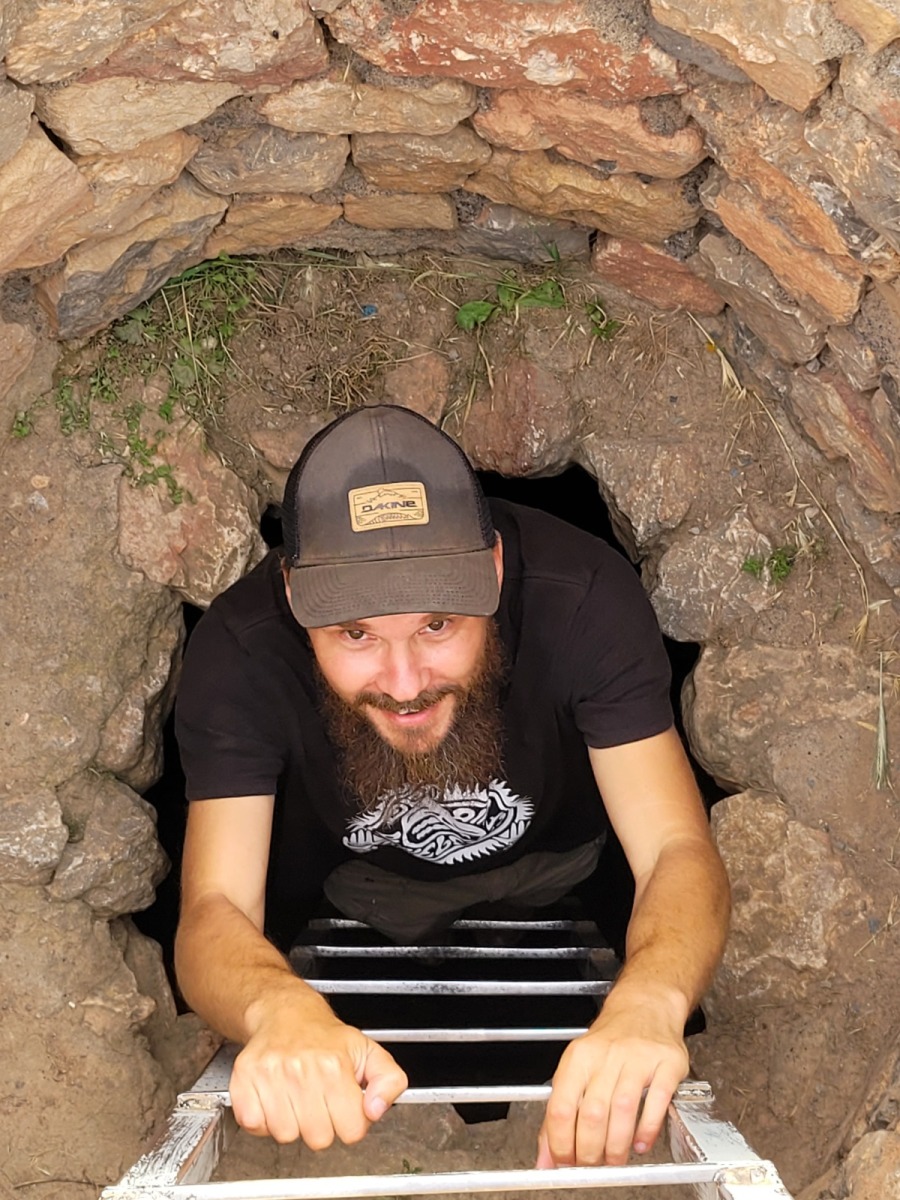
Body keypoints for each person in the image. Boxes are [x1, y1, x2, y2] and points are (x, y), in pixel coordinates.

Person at [174, 404, 730, 1169]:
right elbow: (214, 907)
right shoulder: (239, 652)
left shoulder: (583, 595)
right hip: (367, 892)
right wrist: (277, 1009)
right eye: (356, 634)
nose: (405, 683)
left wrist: (650, 1002)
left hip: (562, 867)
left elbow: (674, 846)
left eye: (438, 625)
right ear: (294, 595)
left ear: (494, 570)